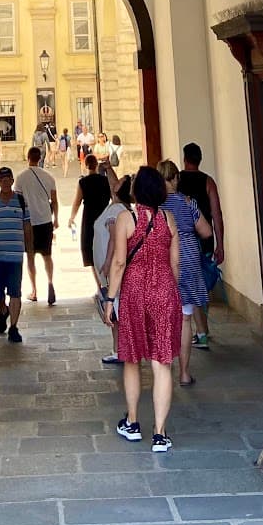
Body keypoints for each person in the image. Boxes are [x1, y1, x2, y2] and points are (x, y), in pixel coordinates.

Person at [101, 164, 182, 451]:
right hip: (163, 290)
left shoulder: (127, 217)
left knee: (132, 358)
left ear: (136, 190)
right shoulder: (168, 219)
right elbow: (175, 264)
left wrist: (110, 299)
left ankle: (133, 422)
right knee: (162, 363)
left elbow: (119, 262)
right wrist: (170, 292)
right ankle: (160, 433)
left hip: (135, 292)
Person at [160, 159, 213, 387]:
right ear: (176, 178)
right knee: (185, 317)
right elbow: (207, 231)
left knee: (163, 316)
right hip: (188, 259)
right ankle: (183, 374)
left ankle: (163, 370)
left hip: (164, 258)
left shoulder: (155, 206)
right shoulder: (188, 203)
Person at [177, 143, 226, 350]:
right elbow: (216, 214)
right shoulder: (208, 181)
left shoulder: (177, 180)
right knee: (202, 281)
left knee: (189, 284)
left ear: (184, 159)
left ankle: (200, 330)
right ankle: (202, 328)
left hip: (183, 241)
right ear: (200, 159)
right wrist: (220, 244)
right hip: (204, 239)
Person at [0, 165, 32, 343]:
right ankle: (3, 310)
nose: (5, 182)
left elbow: (27, 227)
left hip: (15, 257)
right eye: (1, 180)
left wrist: (30, 250)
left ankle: (14, 327)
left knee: (15, 293)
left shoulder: (21, 201)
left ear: (12, 181)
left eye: (7, 179)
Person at [93, 172, 133, 366]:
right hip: (112, 265)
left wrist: (108, 262)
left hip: (111, 267)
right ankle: (120, 348)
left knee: (115, 307)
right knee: (117, 307)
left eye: (120, 182)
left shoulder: (115, 209)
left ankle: (120, 349)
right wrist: (108, 168)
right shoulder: (120, 207)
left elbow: (113, 238)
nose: (115, 182)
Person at [14, 145, 59, 306]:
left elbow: (18, 201)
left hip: (29, 222)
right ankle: (50, 282)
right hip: (45, 220)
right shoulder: (49, 177)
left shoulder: (20, 178)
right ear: (40, 158)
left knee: (30, 257)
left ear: (28, 158)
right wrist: (56, 219)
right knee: (47, 256)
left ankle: (34, 290)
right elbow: (54, 201)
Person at [68, 153, 112, 292]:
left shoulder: (83, 182)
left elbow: (77, 202)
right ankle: (109, 281)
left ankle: (100, 285)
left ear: (85, 165)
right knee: (107, 248)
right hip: (105, 216)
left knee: (91, 250)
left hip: (89, 219)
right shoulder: (105, 181)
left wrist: (71, 218)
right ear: (96, 165)